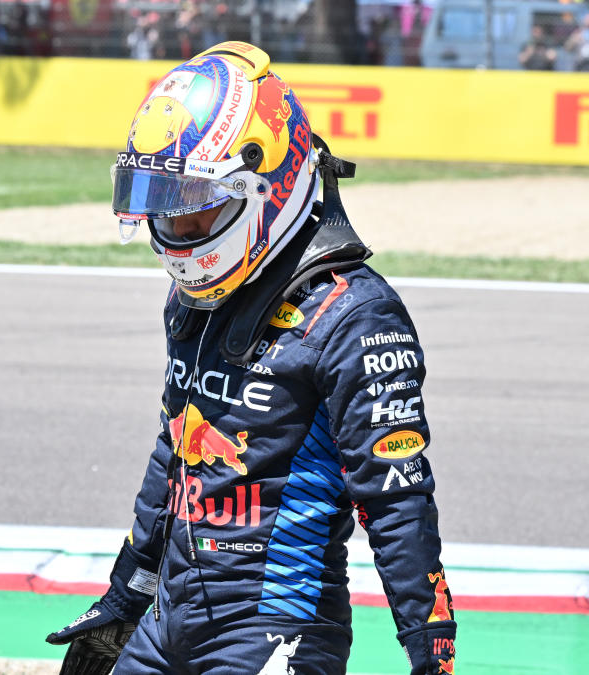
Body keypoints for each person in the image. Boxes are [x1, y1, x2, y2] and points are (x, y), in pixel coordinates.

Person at [46, 42, 456, 675]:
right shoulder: (197, 300)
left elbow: (398, 499)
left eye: (196, 207)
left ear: (269, 184)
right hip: (168, 623)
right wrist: (128, 589)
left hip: (277, 630)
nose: (177, 235)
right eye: (166, 208)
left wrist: (432, 651)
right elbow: (175, 449)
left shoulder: (355, 315)